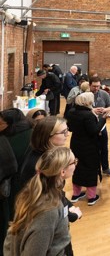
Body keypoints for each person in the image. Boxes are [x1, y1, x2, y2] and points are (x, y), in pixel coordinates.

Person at [3, 147, 80, 256]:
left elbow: (10, 237)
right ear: (62, 171)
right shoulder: (48, 211)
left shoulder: (35, 192)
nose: (76, 164)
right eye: (74, 162)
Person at [0, 109, 33, 252]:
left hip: (12, 186)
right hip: (24, 186)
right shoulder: (30, 132)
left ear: (10, 123)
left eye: (1, 122)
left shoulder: (9, 139)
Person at [66, 92, 106, 206]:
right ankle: (91, 197)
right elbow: (94, 130)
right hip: (89, 146)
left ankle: (76, 194)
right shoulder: (87, 115)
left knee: (77, 167)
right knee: (90, 168)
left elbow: (71, 127)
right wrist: (103, 119)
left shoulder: (72, 112)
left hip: (76, 143)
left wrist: (92, 112)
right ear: (87, 102)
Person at [19, 116, 69, 188]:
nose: (67, 134)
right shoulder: (42, 164)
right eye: (63, 132)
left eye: (67, 130)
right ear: (48, 136)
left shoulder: (46, 154)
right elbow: (48, 195)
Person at [89, 76, 110, 177]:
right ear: (89, 85)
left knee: (104, 148)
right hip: (90, 126)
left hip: (102, 125)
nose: (96, 88)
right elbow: (80, 109)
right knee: (92, 149)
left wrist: (105, 110)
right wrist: (92, 111)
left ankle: (105, 168)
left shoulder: (104, 94)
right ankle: (94, 169)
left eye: (98, 86)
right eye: (94, 86)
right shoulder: (85, 95)